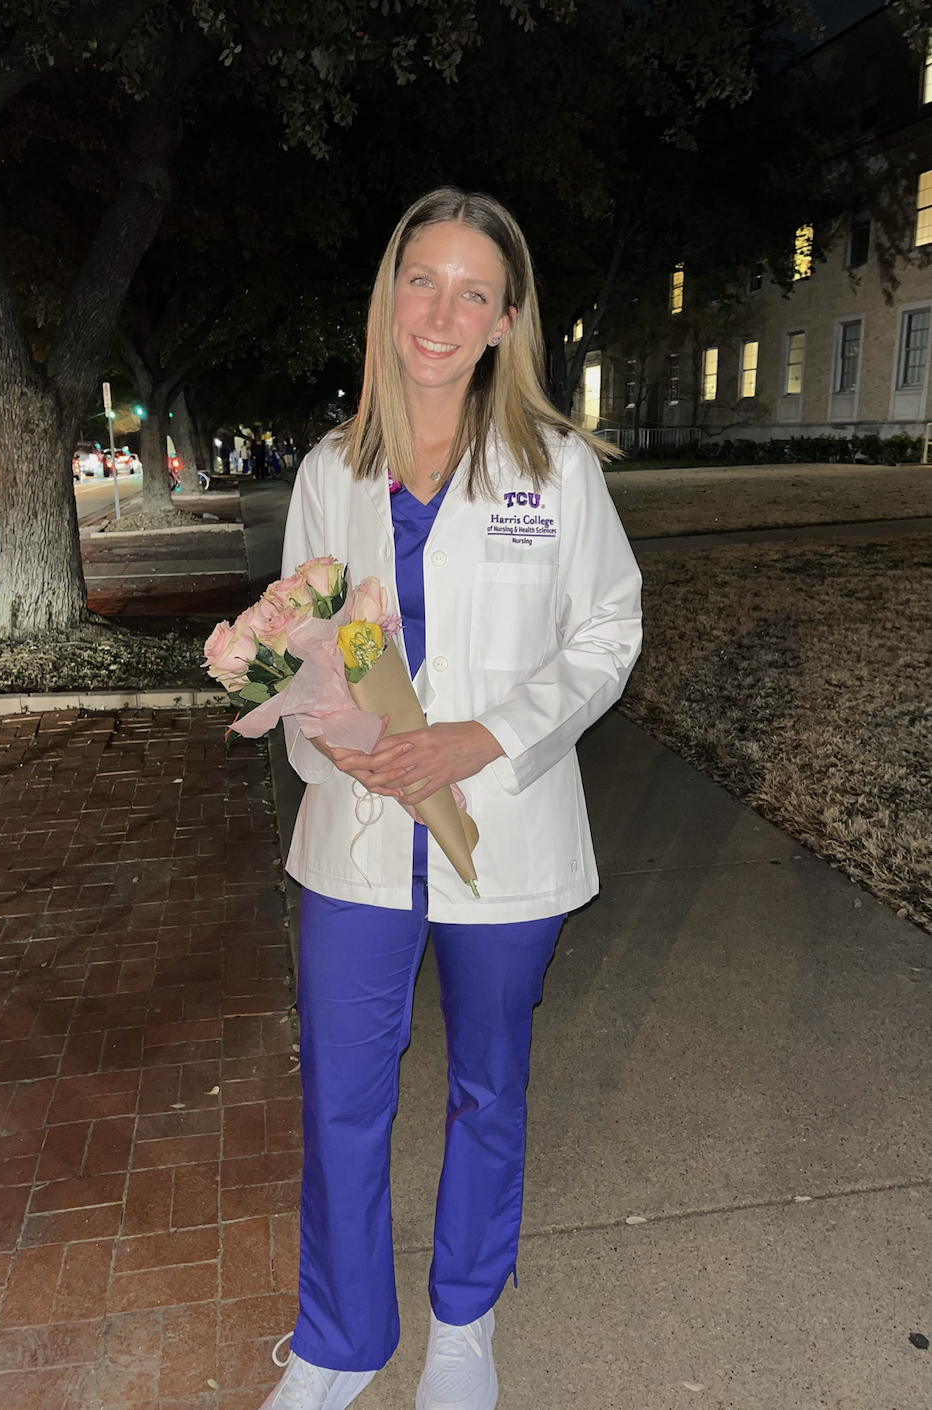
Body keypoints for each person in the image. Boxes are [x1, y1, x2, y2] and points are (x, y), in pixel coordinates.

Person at [263, 187, 642, 1410]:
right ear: (390, 296)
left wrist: (484, 736)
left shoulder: (556, 469)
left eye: (473, 291)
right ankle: (339, 1340)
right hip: (361, 837)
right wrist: (340, 747)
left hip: (506, 832)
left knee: (489, 1083)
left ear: (505, 322)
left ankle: (464, 1324)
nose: (442, 309)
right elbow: (296, 646)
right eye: (422, 279)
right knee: (344, 1093)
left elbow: (607, 632)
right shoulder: (332, 471)